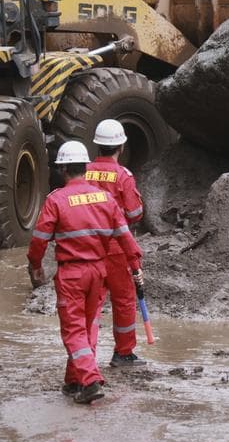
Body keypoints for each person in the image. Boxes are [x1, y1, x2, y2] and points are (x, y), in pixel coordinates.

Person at [28, 140, 144, 405]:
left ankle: (90, 380)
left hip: (72, 274)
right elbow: (126, 238)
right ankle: (74, 381)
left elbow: (38, 241)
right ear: (84, 166)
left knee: (73, 331)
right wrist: (135, 266)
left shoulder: (56, 200)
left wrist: (35, 266)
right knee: (87, 327)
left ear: (63, 170)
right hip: (98, 272)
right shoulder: (105, 199)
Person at [85, 119, 147, 367]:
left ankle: (85, 355)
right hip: (118, 248)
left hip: (88, 247)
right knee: (124, 300)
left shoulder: (84, 171)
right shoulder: (123, 176)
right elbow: (134, 214)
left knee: (91, 303)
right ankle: (123, 353)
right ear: (121, 146)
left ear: (97, 145)